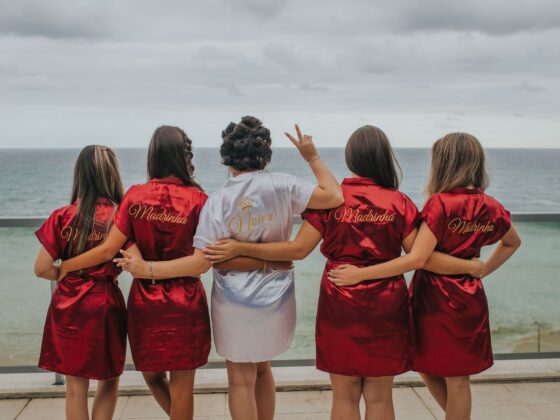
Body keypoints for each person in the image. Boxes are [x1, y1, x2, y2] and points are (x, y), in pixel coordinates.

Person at [203, 125, 483, 420]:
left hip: (340, 299)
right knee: (379, 397)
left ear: (350, 158)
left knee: (344, 395)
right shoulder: (399, 202)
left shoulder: (333, 201)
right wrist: (470, 264)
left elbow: (298, 249)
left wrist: (240, 248)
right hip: (387, 303)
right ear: (384, 158)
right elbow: (420, 257)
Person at [116, 116, 343, 420]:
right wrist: (312, 157)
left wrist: (147, 269)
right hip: (276, 296)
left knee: (240, 379)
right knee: (263, 368)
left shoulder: (218, 200)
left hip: (233, 298)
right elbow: (334, 196)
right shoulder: (285, 184)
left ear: (227, 156)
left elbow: (207, 259)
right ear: (264, 154)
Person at [328, 132, 522, 420]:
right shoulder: (491, 205)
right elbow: (512, 242)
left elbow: (419, 258)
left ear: (443, 163)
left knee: (447, 376)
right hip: (470, 297)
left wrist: (361, 274)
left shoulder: (440, 204)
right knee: (449, 376)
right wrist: (478, 269)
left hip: (436, 298)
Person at [34, 145, 127, 420]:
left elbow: (41, 269)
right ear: (112, 175)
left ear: (80, 175)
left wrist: (63, 272)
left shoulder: (62, 216)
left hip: (68, 304)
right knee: (108, 380)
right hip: (105, 303)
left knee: (75, 386)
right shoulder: (120, 217)